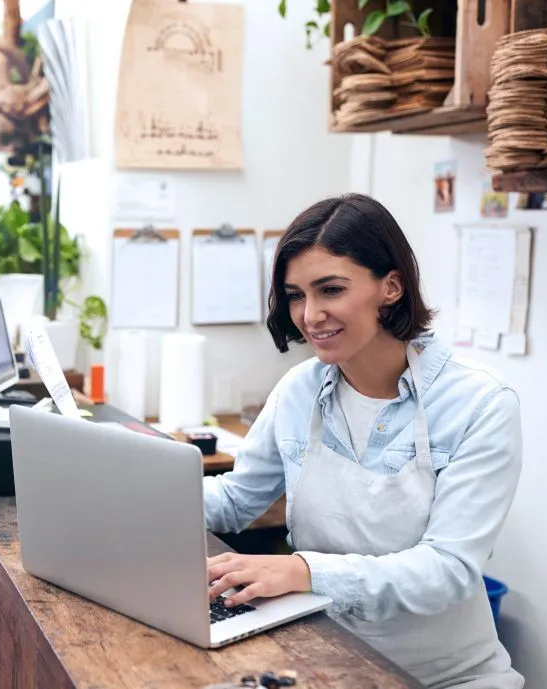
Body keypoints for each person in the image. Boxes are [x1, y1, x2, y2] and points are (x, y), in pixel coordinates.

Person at [203, 193, 523, 688]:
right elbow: (235, 499)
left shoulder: (479, 403)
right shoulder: (299, 390)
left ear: (391, 286)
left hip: (445, 678)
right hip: (323, 658)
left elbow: (447, 570)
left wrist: (304, 572)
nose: (310, 315)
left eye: (330, 289)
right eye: (295, 295)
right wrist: (130, 494)